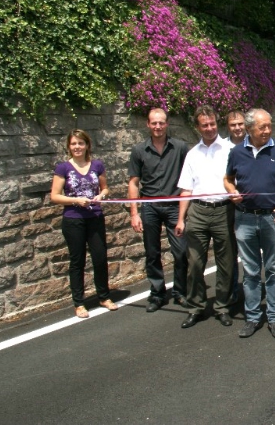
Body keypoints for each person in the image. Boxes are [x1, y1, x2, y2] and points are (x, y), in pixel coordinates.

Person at [224, 109, 275, 339]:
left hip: (272, 218)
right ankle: (253, 317)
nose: (267, 130)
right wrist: (232, 191)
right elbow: (228, 179)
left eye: (269, 126)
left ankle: (274, 318)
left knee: (273, 270)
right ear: (249, 129)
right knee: (251, 271)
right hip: (244, 218)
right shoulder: (236, 152)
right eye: (261, 127)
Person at [175, 106, 236, 329]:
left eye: (212, 124)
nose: (209, 128)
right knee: (194, 263)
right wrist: (181, 219)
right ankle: (195, 307)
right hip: (198, 212)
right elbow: (186, 189)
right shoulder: (192, 154)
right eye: (205, 125)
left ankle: (222, 307)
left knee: (226, 263)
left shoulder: (231, 150)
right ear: (197, 127)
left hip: (224, 211)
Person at [51, 129, 118, 318]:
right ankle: (79, 303)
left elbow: (105, 188)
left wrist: (101, 195)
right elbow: (55, 196)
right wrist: (76, 200)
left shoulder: (97, 165)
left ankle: (104, 297)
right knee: (77, 261)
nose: (77, 147)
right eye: (74, 144)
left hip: (95, 217)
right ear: (69, 146)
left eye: (81, 143)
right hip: (73, 220)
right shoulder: (63, 168)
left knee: (100, 257)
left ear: (87, 145)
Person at [128, 108, 189, 313]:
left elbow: (189, 178)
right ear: (148, 124)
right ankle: (157, 293)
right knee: (152, 253)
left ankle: (180, 291)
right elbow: (134, 182)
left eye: (161, 122)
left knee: (181, 252)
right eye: (154, 123)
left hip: (174, 207)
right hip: (150, 207)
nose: (158, 126)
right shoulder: (139, 150)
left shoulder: (180, 148)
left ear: (167, 123)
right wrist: (134, 213)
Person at [226, 109, 246, 304]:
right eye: (233, 125)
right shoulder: (222, 147)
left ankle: (250, 290)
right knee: (230, 250)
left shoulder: (254, 143)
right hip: (227, 204)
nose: (237, 128)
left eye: (240, 124)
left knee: (250, 251)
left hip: (249, 204)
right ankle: (232, 290)